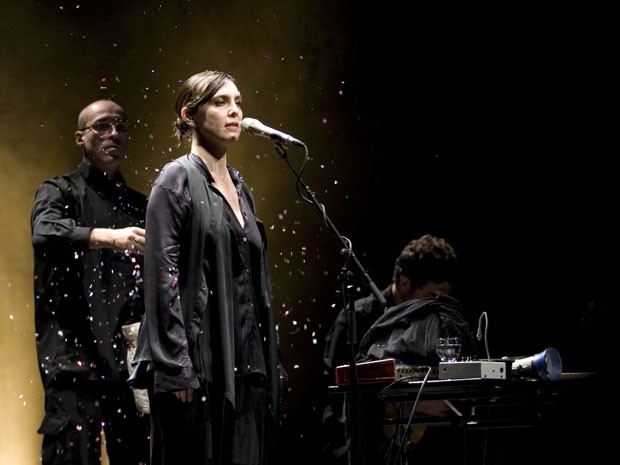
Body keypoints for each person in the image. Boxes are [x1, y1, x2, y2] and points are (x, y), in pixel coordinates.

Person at [129, 69, 288, 465]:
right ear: (190, 115)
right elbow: (161, 277)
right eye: (221, 102)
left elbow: (252, 285)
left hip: (246, 367)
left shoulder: (240, 186)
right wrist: (175, 366)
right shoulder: (176, 179)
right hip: (198, 369)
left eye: (238, 102)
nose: (234, 111)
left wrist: (272, 362)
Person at [31, 100, 150, 465]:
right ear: (80, 138)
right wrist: (106, 237)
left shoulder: (140, 205)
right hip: (73, 362)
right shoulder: (59, 191)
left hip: (129, 367)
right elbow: (45, 232)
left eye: (121, 125)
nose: (113, 133)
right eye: (102, 126)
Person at [321, 234, 478, 464]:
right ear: (405, 283)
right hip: (354, 446)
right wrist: (415, 404)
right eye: (432, 297)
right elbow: (341, 394)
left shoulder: (434, 324)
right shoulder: (356, 320)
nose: (436, 306)